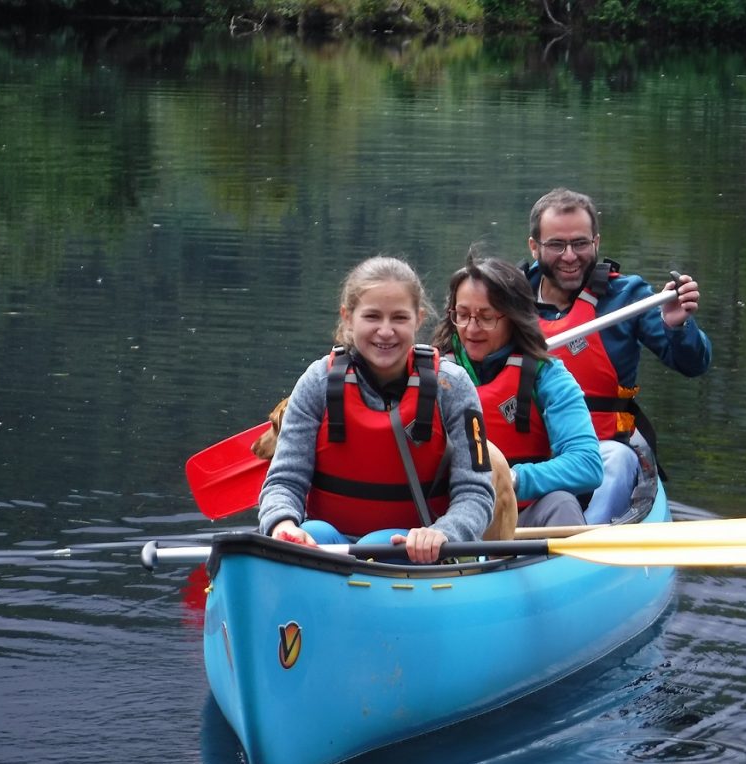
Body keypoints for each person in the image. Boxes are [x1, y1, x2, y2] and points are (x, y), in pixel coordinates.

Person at [257, 255, 495, 564]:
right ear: (348, 317)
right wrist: (282, 525)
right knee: (311, 531)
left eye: (399, 318)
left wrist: (444, 532)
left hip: (418, 549)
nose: (385, 331)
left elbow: (475, 493)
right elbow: (283, 482)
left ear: (419, 319)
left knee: (379, 544)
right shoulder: (317, 382)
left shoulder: (451, 386)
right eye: (372, 317)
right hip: (331, 544)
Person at [524, 188, 711, 524]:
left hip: (603, 450)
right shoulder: (506, 299)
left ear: (596, 243)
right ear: (534, 247)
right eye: (556, 245)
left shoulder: (628, 296)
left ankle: (585, 539)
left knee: (615, 460)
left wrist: (678, 327)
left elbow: (693, 364)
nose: (570, 256)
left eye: (580, 243)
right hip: (524, 452)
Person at [433, 255, 603, 528]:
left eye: (486, 317)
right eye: (462, 315)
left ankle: (556, 565)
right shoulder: (431, 372)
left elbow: (587, 464)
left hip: (521, 521)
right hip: (446, 523)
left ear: (513, 318)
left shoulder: (547, 375)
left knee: (562, 502)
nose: (471, 328)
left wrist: (509, 479)